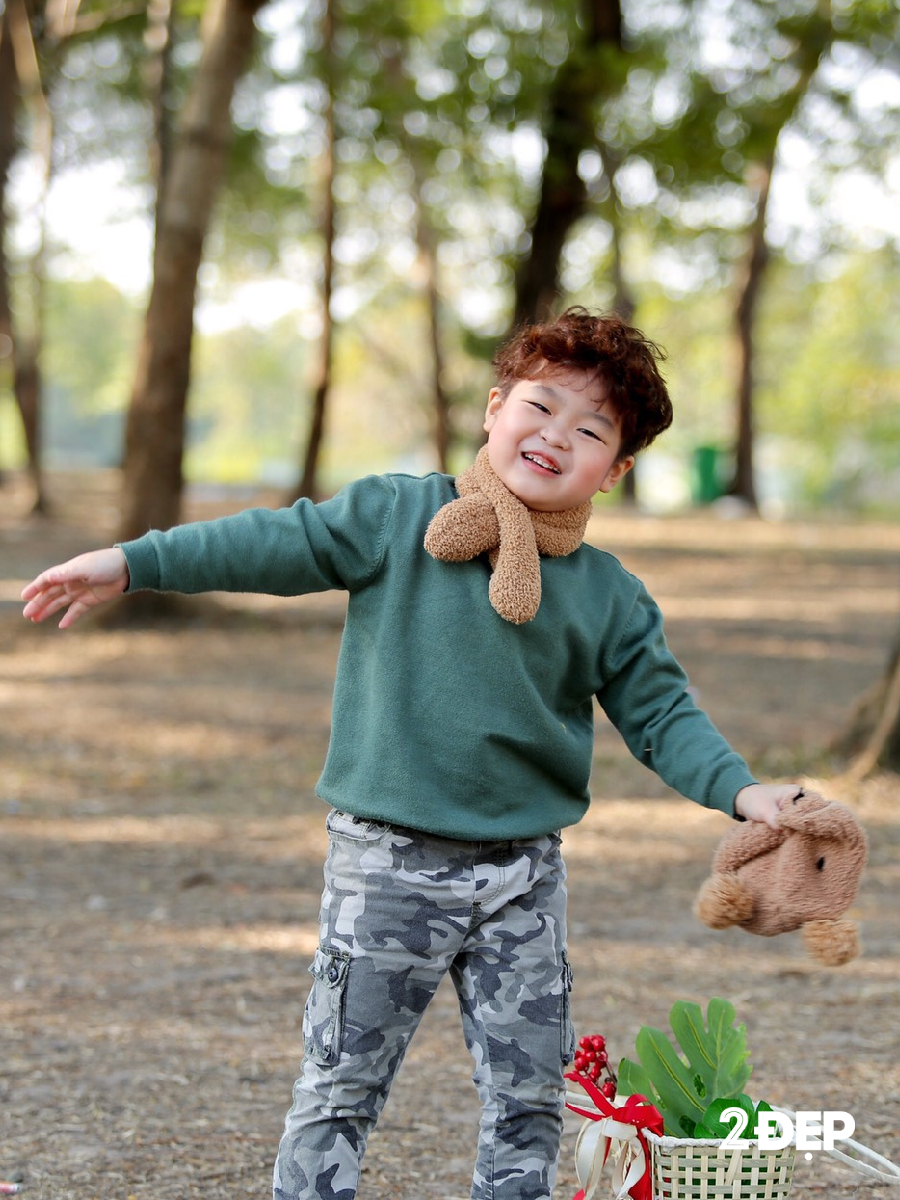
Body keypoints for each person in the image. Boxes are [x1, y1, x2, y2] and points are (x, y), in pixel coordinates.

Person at [22, 308, 798, 1200]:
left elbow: (663, 714)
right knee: (341, 1085)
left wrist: (743, 793)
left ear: (615, 469)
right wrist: (132, 563)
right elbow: (275, 543)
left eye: (589, 431)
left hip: (523, 876)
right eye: (539, 409)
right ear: (494, 406)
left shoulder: (609, 596)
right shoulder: (398, 516)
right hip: (385, 864)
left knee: (530, 1095)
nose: (554, 437)